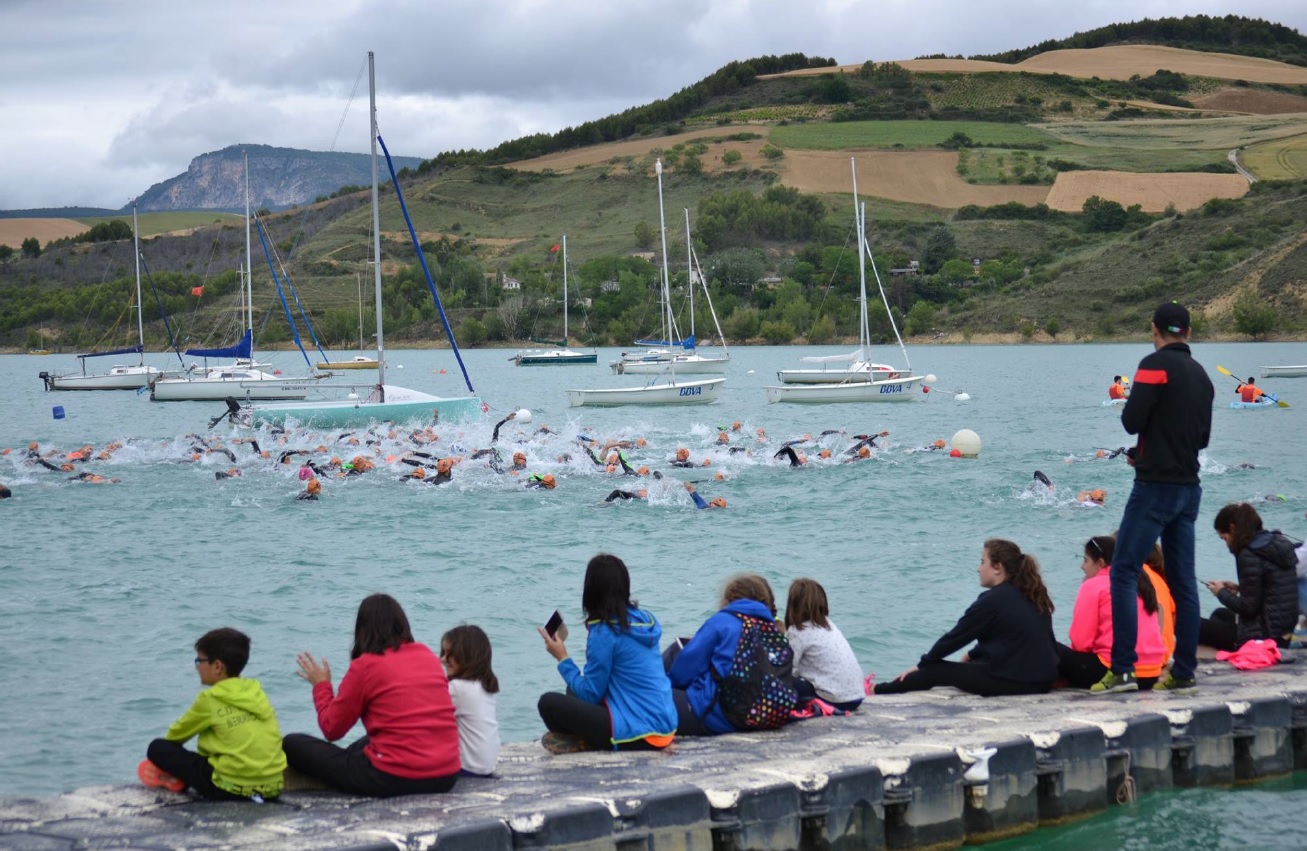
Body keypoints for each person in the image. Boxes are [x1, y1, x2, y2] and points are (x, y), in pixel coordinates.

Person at [1100, 301, 1213, 695]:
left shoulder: (1154, 365)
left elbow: (1131, 420)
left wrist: (1147, 447)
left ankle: (1123, 670)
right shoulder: (1202, 376)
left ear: (1154, 330)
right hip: (1189, 489)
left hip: (1154, 488)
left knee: (1123, 572)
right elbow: (1202, 439)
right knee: (1183, 582)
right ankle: (1183, 672)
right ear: (1189, 332)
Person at [282, 593, 461, 797]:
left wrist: (321, 686)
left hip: (397, 778)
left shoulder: (366, 665)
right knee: (372, 739)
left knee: (292, 743)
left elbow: (332, 729)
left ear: (362, 629)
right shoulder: (427, 656)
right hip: (448, 775)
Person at [873, 539, 1057, 697]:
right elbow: (1008, 638)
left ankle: (877, 690)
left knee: (936, 670)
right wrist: (972, 654)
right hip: (1043, 679)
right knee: (974, 664)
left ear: (997, 568)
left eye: (982, 562)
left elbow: (955, 637)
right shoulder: (1031, 593)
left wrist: (923, 664)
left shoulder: (993, 600)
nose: (978, 569)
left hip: (1019, 683)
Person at [536, 554, 677, 753]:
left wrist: (562, 658)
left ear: (591, 591)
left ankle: (590, 742)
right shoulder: (644, 619)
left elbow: (591, 695)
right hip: (665, 725)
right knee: (572, 691)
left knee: (548, 703)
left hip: (640, 735)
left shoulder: (604, 631)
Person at [141, 628, 286, 801]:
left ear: (217, 666)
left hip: (228, 790)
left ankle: (180, 781)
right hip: (272, 788)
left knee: (158, 748)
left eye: (199, 661)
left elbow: (174, 737)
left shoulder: (209, 699)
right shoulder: (256, 692)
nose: (197, 667)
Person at [667, 574, 784, 735]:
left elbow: (683, 673)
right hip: (763, 714)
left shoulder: (722, 622)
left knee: (652, 695)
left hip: (720, 718)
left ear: (728, 600)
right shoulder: (773, 626)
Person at [1056, 536, 1166, 691]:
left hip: (1114, 672)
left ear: (1100, 563)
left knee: (1049, 646)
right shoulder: (1139, 581)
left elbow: (1081, 642)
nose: (1082, 566)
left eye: (1086, 560)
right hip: (1151, 674)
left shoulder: (1094, 584)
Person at [1199, 503, 1299, 651]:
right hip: (1283, 634)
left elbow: (1248, 608)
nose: (1226, 545)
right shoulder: (1276, 543)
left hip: (1262, 639)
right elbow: (1272, 588)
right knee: (1219, 614)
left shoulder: (1248, 553)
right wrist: (1239, 588)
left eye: (1225, 538)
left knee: (1192, 623)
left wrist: (1221, 592)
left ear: (1233, 529)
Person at [783, 579, 864, 711]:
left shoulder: (798, 631)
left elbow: (788, 668)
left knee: (784, 683)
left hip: (835, 700)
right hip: (856, 697)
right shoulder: (828, 625)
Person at [440, 625, 500, 777]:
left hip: (467, 769)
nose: (443, 659)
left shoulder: (458, 689)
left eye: (449, 655)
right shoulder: (483, 685)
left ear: (466, 656)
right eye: (443, 653)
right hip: (487, 766)